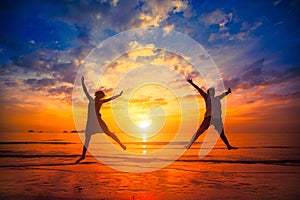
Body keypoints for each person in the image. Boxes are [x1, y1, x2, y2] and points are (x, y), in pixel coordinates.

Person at [76, 76, 126, 163]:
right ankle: (83, 155)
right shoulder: (91, 100)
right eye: (99, 95)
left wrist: (119, 95)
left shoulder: (101, 101)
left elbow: (111, 99)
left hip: (99, 121)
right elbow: (85, 91)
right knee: (87, 139)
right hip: (91, 123)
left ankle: (121, 144)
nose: (99, 97)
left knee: (108, 133)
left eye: (101, 96)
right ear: (96, 95)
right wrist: (83, 82)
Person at [185, 78, 238, 150]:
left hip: (217, 119)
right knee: (198, 133)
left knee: (222, 134)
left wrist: (228, 92)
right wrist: (192, 83)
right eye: (211, 91)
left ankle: (228, 146)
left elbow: (223, 95)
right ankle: (189, 145)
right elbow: (199, 89)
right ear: (208, 92)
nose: (213, 91)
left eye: (213, 91)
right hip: (208, 118)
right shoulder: (207, 97)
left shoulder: (217, 98)